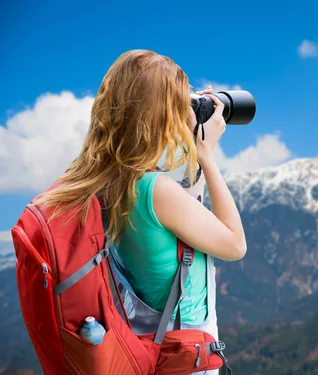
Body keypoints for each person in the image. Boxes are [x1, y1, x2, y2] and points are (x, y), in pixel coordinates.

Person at [35, 49, 247, 375]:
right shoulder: (157, 190)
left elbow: (187, 231)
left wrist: (192, 145)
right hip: (186, 354)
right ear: (159, 113)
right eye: (177, 104)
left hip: (147, 343)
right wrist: (207, 155)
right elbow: (235, 245)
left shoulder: (108, 182)